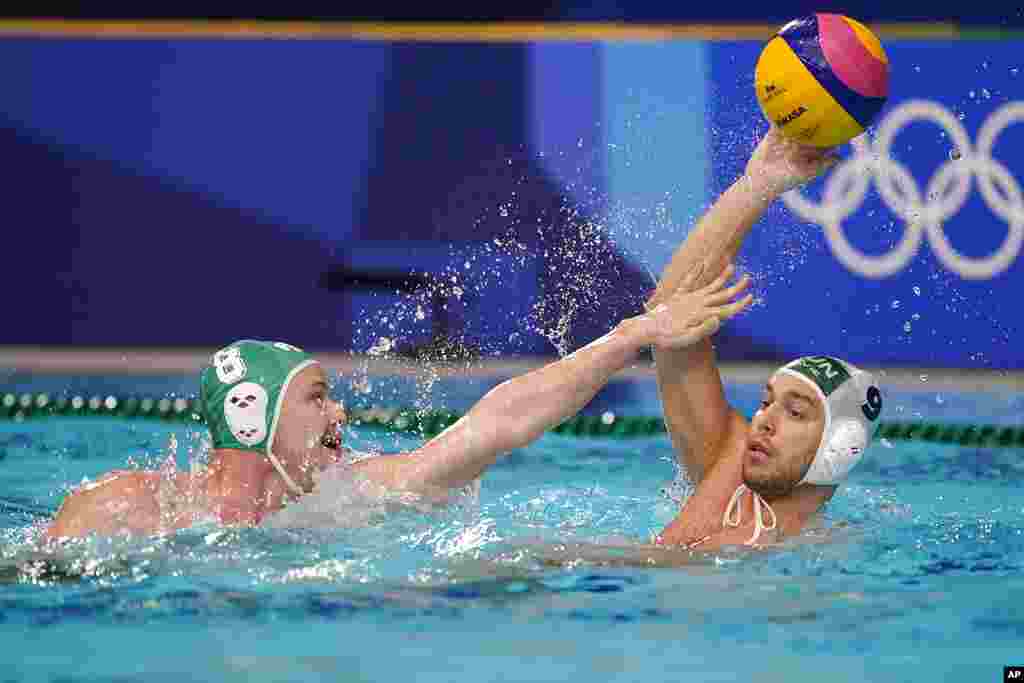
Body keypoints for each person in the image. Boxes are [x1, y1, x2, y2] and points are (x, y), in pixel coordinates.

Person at [44, 270, 753, 539]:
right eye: (318, 397)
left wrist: (633, 334)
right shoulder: (120, 509)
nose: (341, 415)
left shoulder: (351, 495)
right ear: (253, 416)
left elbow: (497, 422)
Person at [645, 124, 884, 551]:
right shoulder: (730, 464)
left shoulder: (828, 564)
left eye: (795, 412)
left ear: (840, 447)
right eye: (765, 402)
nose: (764, 421)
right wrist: (758, 186)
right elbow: (670, 319)